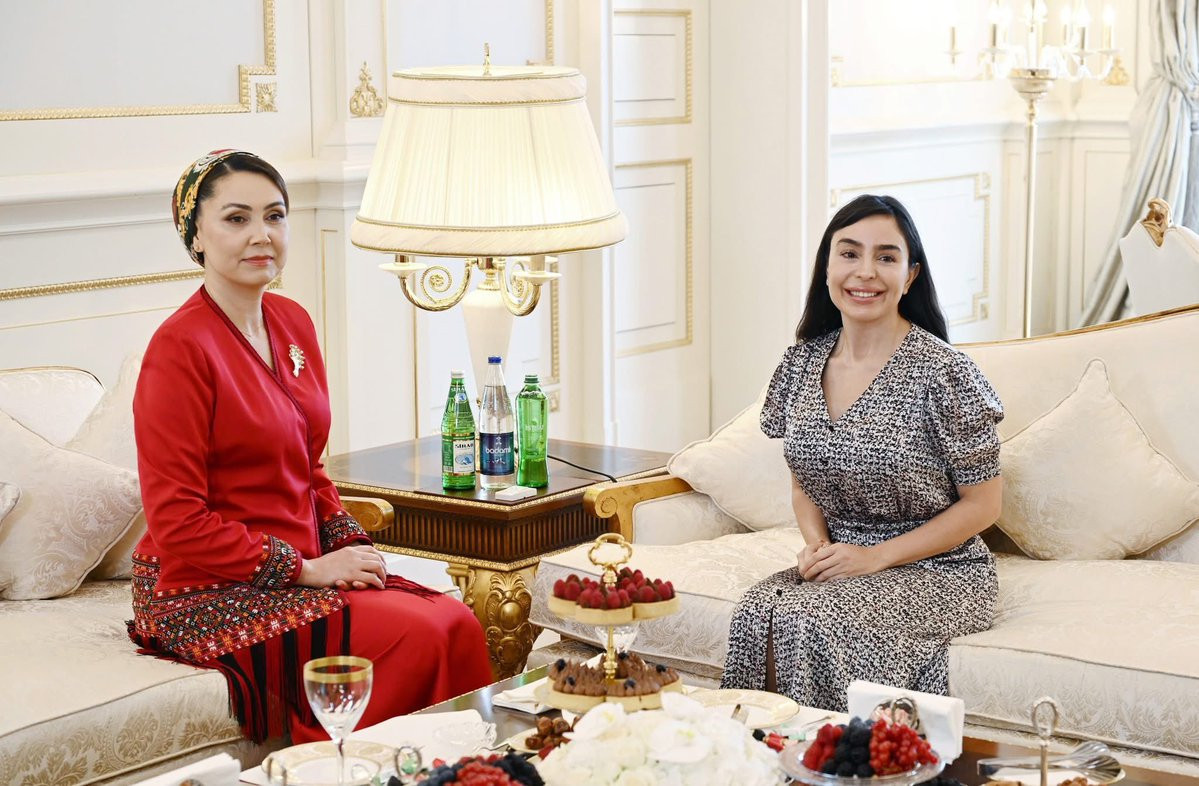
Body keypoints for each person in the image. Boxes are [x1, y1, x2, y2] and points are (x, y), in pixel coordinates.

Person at [128, 150, 494, 743]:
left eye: (274, 216)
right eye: (237, 219)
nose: (261, 235)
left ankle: (468, 772)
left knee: (457, 620)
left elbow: (308, 466)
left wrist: (350, 544)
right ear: (194, 235)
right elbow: (176, 522)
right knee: (422, 633)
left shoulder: (292, 321)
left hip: (303, 563)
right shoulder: (179, 349)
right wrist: (308, 569)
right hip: (205, 587)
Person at [720, 194, 1003, 710]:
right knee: (758, 611)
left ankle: (836, 752)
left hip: (941, 571)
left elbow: (984, 505)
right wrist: (817, 547)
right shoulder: (800, 364)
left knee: (810, 620)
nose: (865, 272)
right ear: (828, 267)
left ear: (910, 276)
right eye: (849, 253)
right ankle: (762, 751)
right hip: (842, 562)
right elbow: (803, 479)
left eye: (886, 257)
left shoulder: (946, 374)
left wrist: (874, 558)